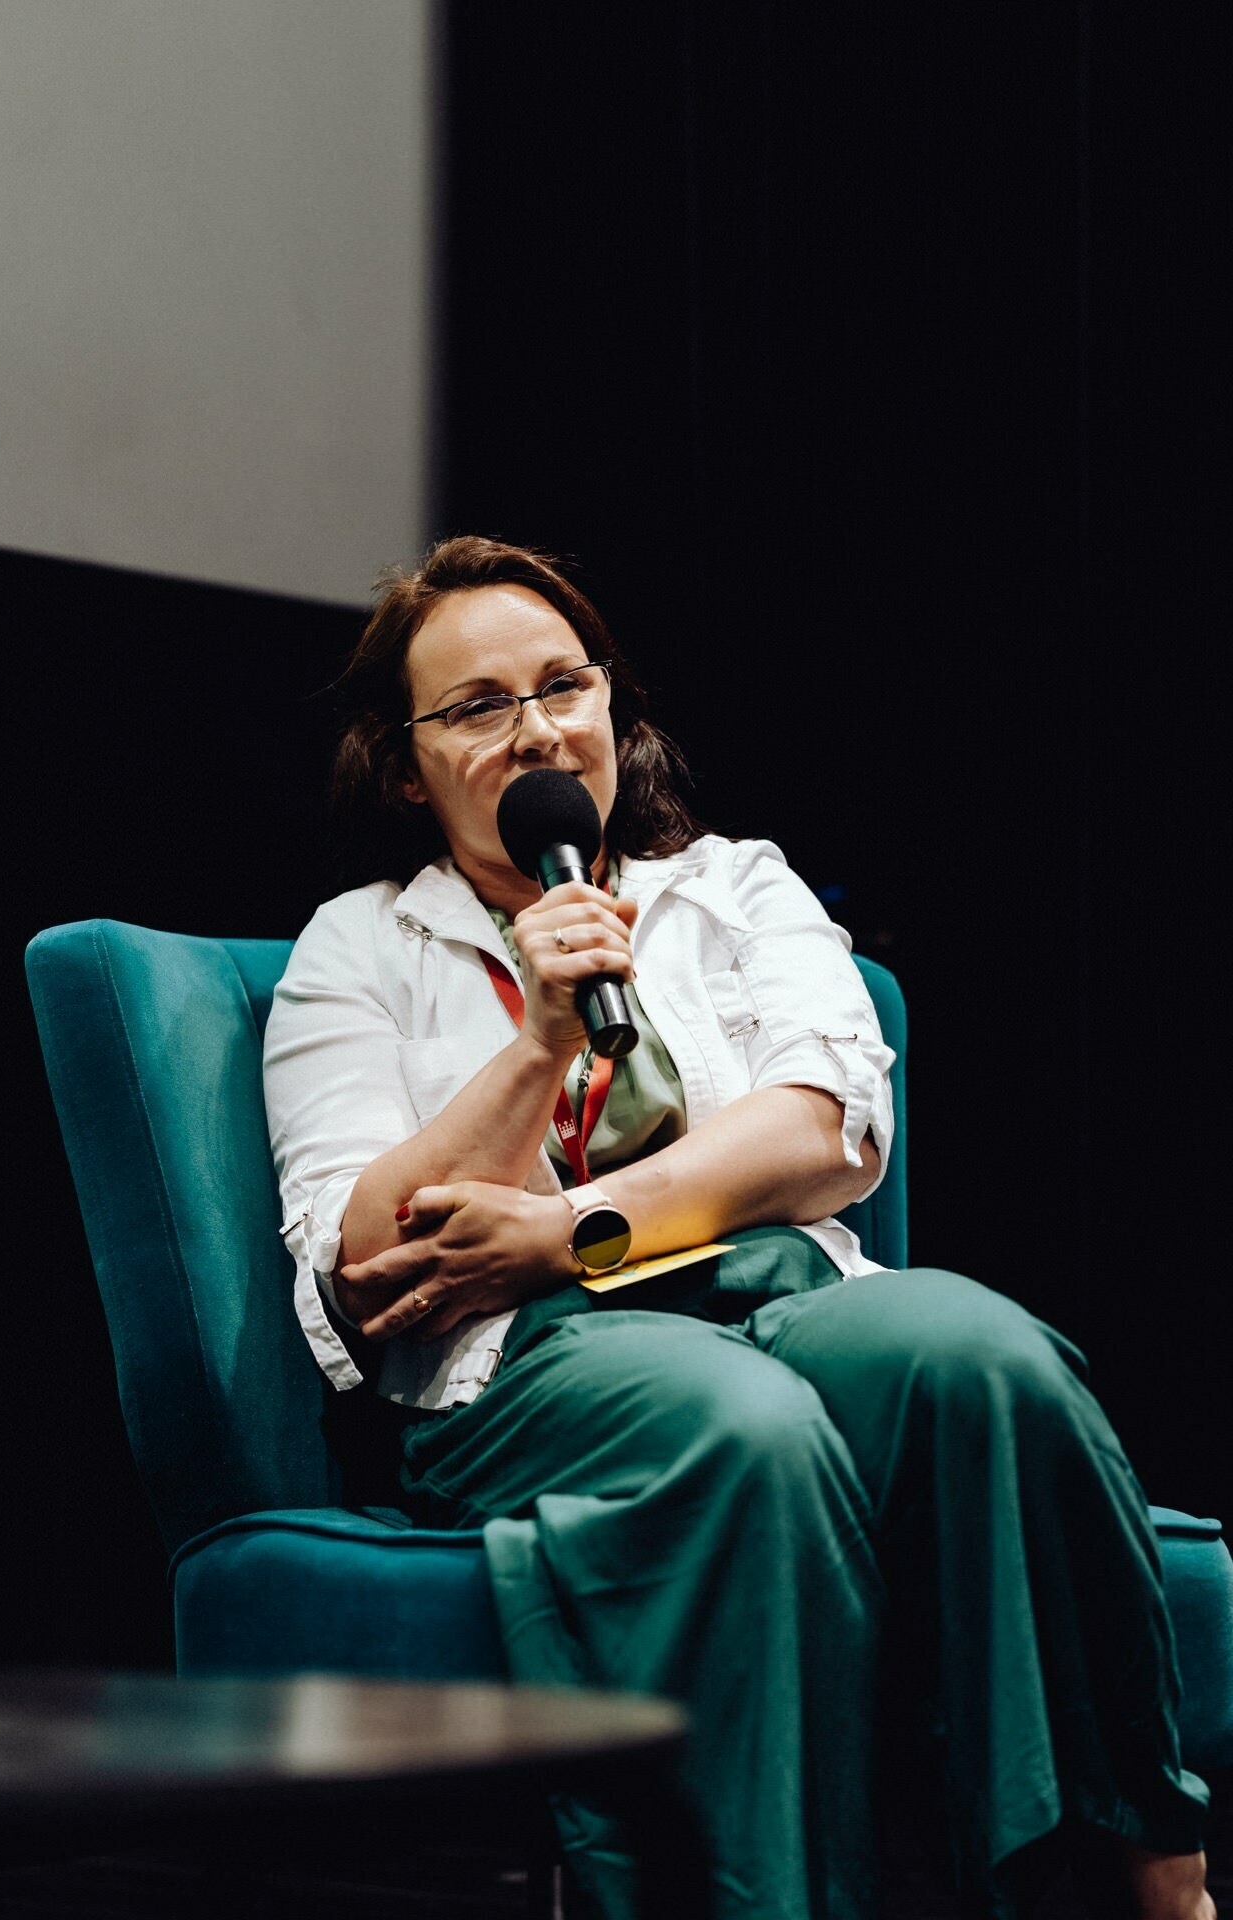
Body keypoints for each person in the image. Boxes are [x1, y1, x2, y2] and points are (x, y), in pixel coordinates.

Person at [263, 536, 1212, 1920]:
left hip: (769, 1292)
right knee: (742, 1422)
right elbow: (370, 1255)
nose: (534, 727)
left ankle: (1147, 1883)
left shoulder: (733, 888)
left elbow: (820, 1132)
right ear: (408, 765)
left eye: (560, 685)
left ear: (607, 708)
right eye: (477, 706)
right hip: (531, 1359)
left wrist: (567, 1228)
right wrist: (535, 1040)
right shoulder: (358, 948)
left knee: (978, 1355)